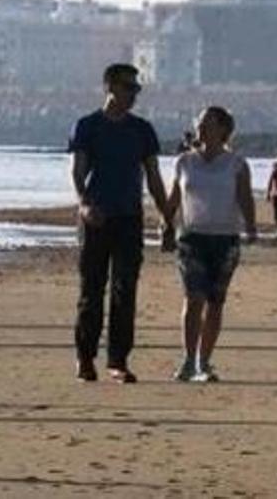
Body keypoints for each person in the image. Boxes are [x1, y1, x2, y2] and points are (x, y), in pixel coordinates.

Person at [68, 63, 169, 384]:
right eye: (129, 88)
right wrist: (84, 204)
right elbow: (77, 171)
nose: (134, 95)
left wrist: (168, 218)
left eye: (136, 89)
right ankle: (85, 358)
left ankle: (118, 360)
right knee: (92, 290)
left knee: (126, 291)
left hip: (129, 218)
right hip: (97, 218)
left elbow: (153, 178)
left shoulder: (142, 130)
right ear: (110, 87)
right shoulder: (88, 126)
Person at [163, 106, 257, 383]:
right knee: (194, 298)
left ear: (223, 129)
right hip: (192, 238)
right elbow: (173, 199)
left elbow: (245, 197)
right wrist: (165, 223)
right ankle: (188, 361)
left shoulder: (236, 164)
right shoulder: (184, 162)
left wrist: (251, 227)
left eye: (208, 123)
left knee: (215, 302)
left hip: (225, 239)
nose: (201, 127)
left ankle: (204, 362)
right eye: (200, 122)